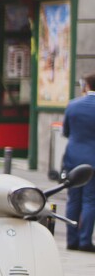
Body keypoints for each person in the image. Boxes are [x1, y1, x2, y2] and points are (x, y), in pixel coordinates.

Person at [62, 75, 95, 250]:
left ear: (87, 85)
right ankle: (85, 241)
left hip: (73, 157)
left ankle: (71, 240)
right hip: (93, 160)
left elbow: (66, 131)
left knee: (73, 200)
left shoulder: (73, 105)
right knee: (90, 200)